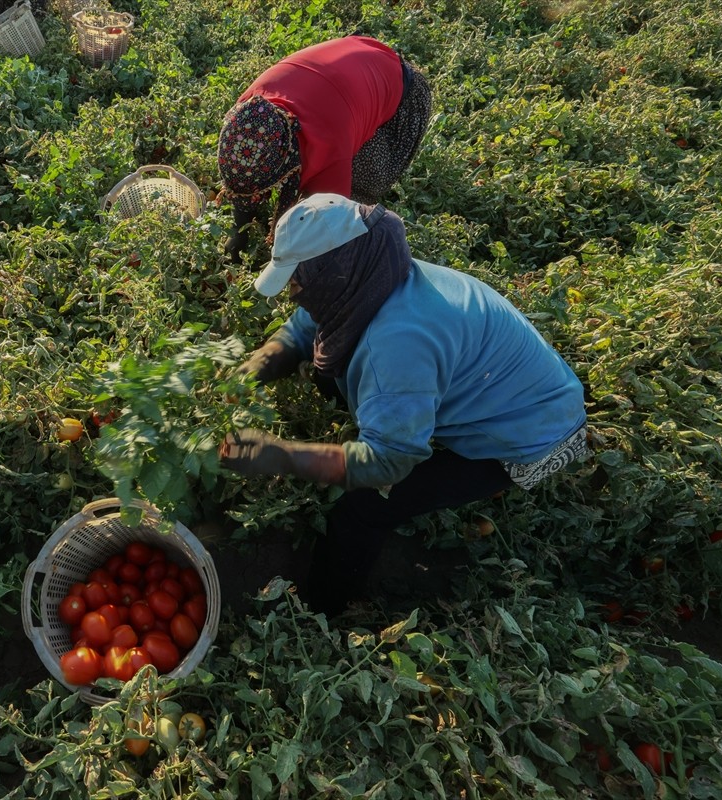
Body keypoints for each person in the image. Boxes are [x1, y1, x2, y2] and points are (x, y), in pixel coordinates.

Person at [218, 194, 589, 616]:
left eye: (297, 283)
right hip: (513, 383)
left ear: (334, 273)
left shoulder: (396, 346)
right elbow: (306, 327)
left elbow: (388, 463)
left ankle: (324, 608)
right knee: (331, 372)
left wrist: (282, 456)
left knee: (363, 510)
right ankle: (393, 419)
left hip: (532, 434)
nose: (293, 295)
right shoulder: (371, 275)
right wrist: (253, 369)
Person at [217, 36, 432, 263]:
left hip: (402, 92)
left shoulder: (331, 144)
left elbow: (329, 218)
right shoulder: (249, 110)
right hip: (359, 57)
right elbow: (244, 178)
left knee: (363, 185)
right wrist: (239, 231)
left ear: (288, 160)